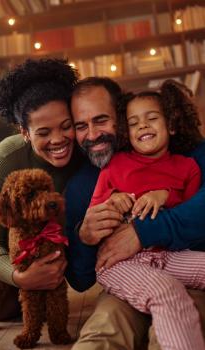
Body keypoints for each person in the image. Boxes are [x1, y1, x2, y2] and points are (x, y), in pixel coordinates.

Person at [65, 76, 205, 349]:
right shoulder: (83, 183)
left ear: (119, 115)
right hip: (126, 277)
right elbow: (80, 279)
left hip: (182, 267)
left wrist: (144, 229)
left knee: (179, 314)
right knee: (104, 329)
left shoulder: (191, 155)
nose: (92, 135)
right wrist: (85, 236)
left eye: (101, 120)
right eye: (82, 125)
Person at [0, 58, 84, 320]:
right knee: (6, 307)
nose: (58, 140)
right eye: (43, 132)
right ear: (25, 132)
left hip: (30, 227)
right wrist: (19, 276)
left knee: (41, 303)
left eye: (66, 126)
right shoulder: (5, 158)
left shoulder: (83, 151)